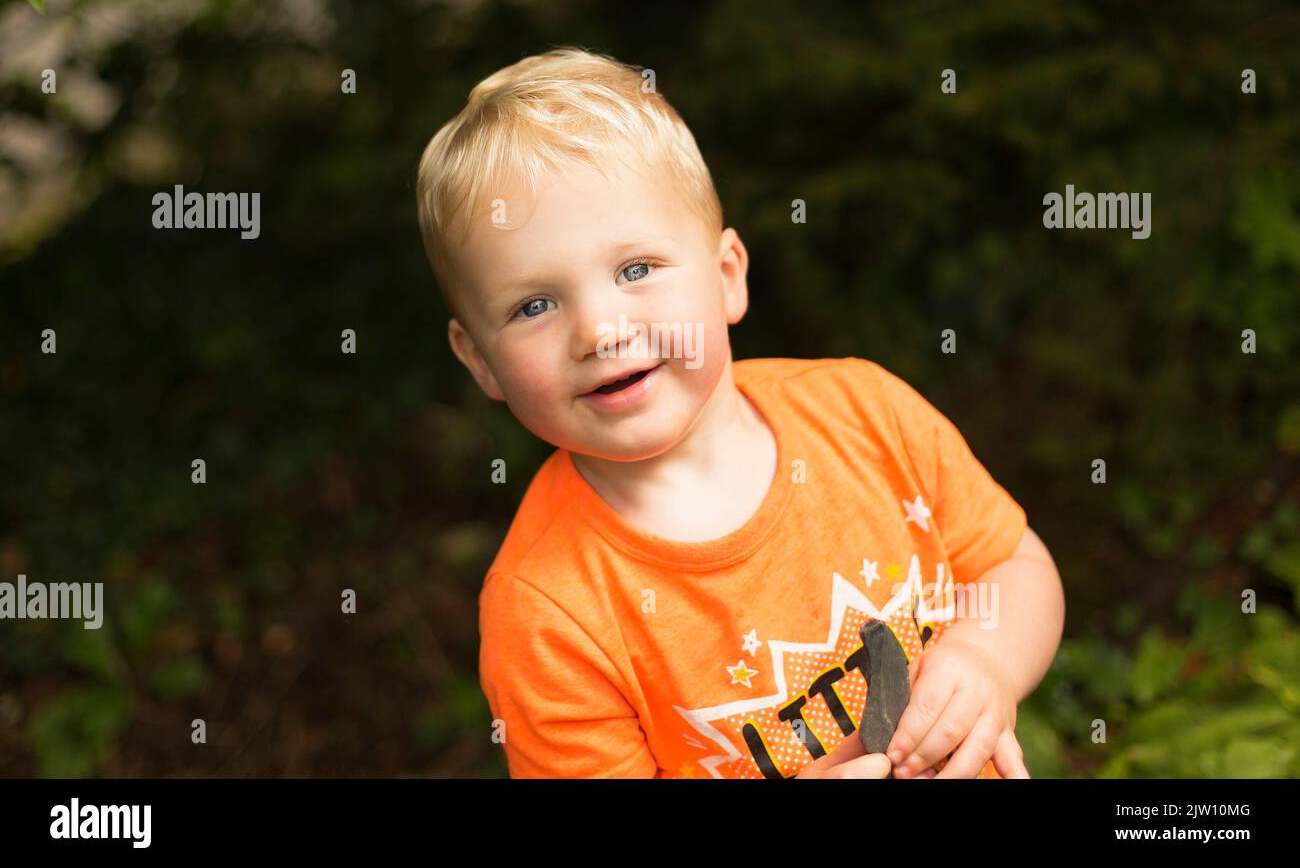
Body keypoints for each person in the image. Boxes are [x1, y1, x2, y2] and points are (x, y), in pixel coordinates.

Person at [414, 46, 1065, 779]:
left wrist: (986, 657)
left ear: (727, 277)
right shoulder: (546, 612)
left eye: (636, 269)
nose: (600, 329)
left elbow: (1013, 565)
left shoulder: (864, 412)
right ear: (478, 360)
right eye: (534, 304)